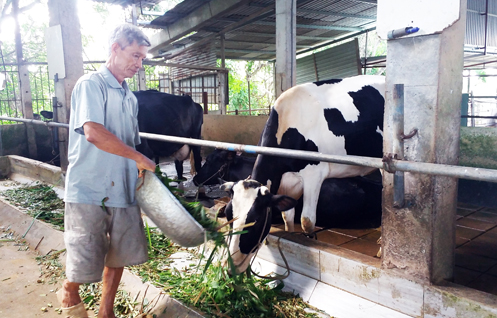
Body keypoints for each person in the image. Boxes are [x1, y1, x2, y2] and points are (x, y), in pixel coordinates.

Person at [57, 24, 156, 318]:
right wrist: (138, 156)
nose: (139, 64)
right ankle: (69, 293)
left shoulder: (130, 97)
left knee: (120, 253)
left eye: (142, 59)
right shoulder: (91, 84)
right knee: (85, 254)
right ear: (115, 48)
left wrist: (139, 171)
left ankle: (106, 311)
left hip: (123, 190)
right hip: (90, 188)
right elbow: (93, 133)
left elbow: (128, 142)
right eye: (135, 55)